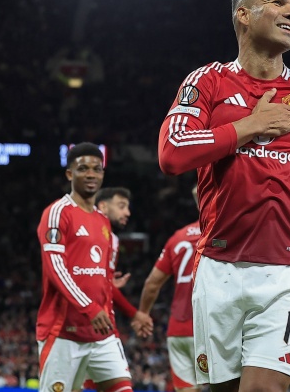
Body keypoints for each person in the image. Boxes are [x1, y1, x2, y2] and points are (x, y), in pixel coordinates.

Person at [157, 0, 290, 392]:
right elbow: (172, 153)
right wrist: (250, 126)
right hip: (217, 267)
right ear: (243, 14)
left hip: (287, 272)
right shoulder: (207, 80)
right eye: (278, 2)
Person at [36, 142, 133, 392]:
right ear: (70, 174)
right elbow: (56, 268)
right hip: (63, 332)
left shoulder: (103, 221)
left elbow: (99, 271)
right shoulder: (58, 213)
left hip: (101, 333)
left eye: (97, 169)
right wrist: (90, 307)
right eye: (83, 169)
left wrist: (106, 285)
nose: (91, 174)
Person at [76, 187, 153, 392]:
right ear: (103, 206)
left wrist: (106, 281)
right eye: (121, 206)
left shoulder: (113, 239)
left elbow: (102, 283)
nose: (127, 212)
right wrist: (134, 313)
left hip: (103, 330)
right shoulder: (87, 232)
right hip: (76, 327)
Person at [135, 185, 202, 392]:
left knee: (187, 388)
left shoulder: (178, 237)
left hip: (178, 330)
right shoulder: (226, 232)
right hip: (212, 326)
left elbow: (152, 283)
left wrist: (143, 313)